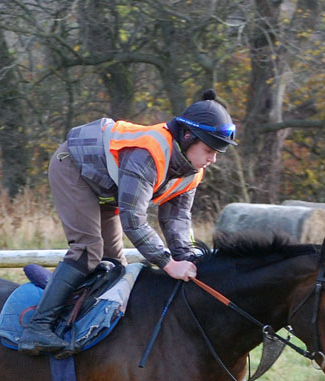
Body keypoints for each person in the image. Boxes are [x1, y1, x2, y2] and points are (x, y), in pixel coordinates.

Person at [17, 88, 237, 356]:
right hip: (73, 167)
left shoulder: (193, 171)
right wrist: (168, 263)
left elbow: (177, 219)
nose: (212, 159)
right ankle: (37, 328)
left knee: (116, 265)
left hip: (108, 186)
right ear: (188, 136)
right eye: (209, 150)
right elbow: (134, 219)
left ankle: (84, 320)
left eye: (217, 153)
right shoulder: (149, 153)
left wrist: (189, 260)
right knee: (88, 249)